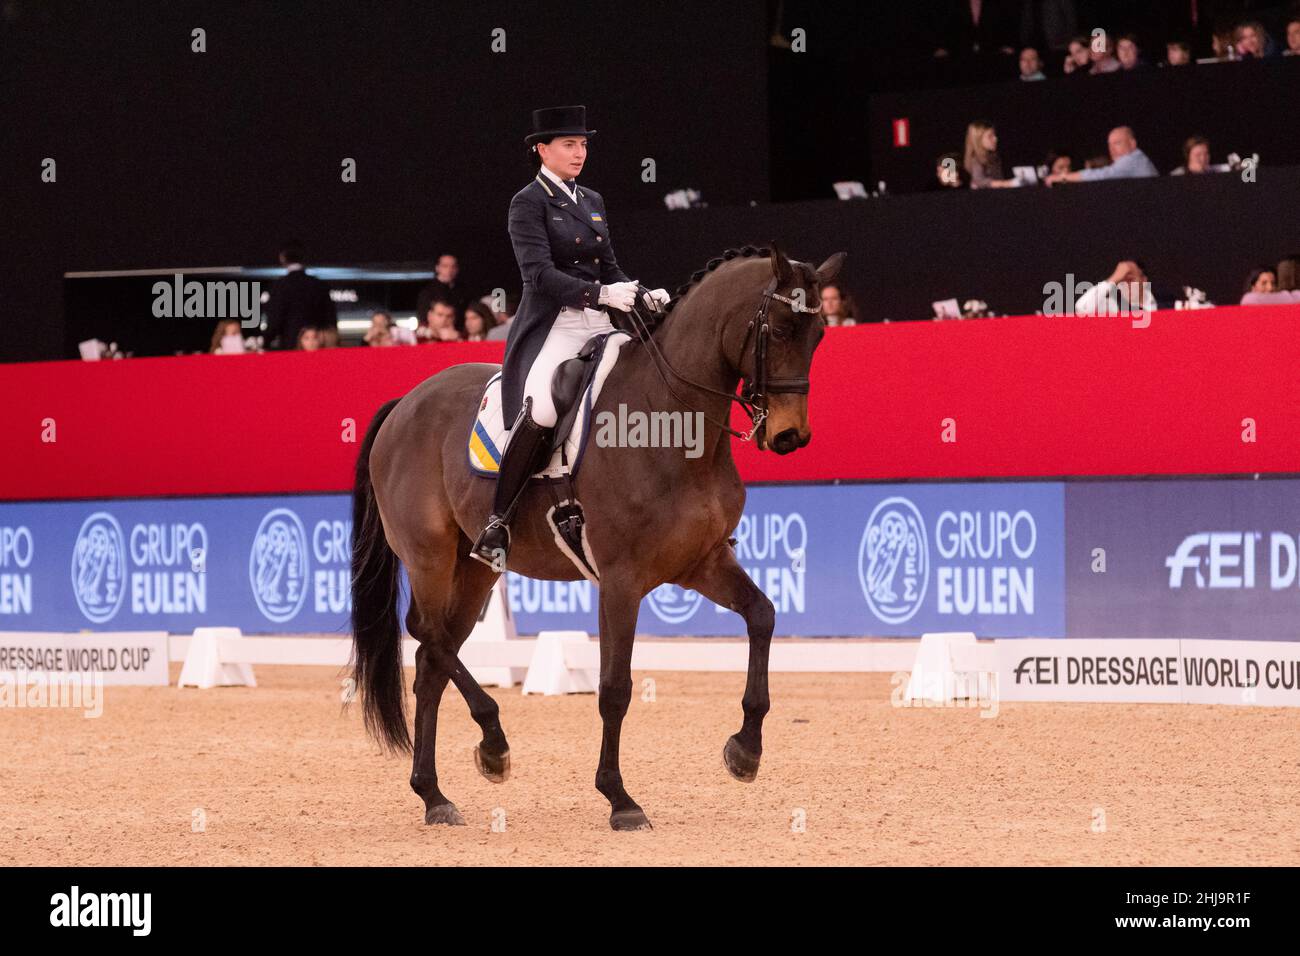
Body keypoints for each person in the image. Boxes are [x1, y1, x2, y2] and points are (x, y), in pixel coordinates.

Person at [470, 105, 670, 568]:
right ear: (542, 150)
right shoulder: (527, 202)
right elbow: (538, 275)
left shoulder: (593, 200)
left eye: (583, 144)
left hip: (600, 320)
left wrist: (640, 292)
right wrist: (600, 292)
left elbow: (610, 266)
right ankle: (498, 521)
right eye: (569, 145)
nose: (579, 152)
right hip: (554, 324)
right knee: (541, 404)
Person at [263, 241, 338, 350]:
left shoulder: (279, 286)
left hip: (289, 347)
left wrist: (265, 343)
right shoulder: (319, 285)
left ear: (282, 258)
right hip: (317, 348)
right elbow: (331, 320)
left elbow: (274, 320)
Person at [1045, 126, 1158, 184]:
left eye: (1117, 143)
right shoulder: (1132, 159)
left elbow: (1104, 175)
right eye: (1109, 145)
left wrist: (1063, 177)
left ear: (1132, 144)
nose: (1112, 149)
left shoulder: (1132, 160)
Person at [414, 254, 470, 325]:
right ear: (437, 268)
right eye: (445, 266)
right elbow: (423, 316)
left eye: (453, 267)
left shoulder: (462, 290)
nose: (449, 270)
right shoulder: (427, 291)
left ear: (457, 269)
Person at [963, 121, 1016, 189]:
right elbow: (979, 181)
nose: (995, 139)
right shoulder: (975, 160)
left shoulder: (994, 156)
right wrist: (1005, 184)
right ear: (978, 140)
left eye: (994, 135)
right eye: (990, 136)